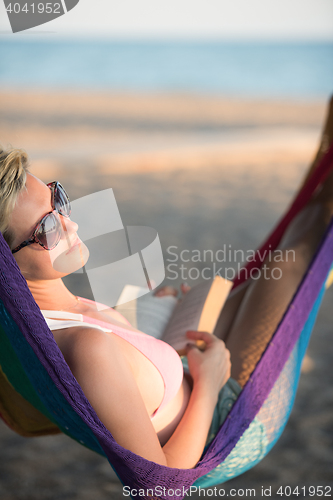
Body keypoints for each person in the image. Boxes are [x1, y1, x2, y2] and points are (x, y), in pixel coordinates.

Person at [0, 143, 332, 470]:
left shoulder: (37, 319)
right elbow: (158, 488)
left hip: (192, 370)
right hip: (225, 422)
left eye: (56, 198)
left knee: (262, 275)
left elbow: (120, 374)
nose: (70, 224)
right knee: (295, 254)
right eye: (47, 228)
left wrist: (157, 337)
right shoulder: (87, 346)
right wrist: (210, 384)